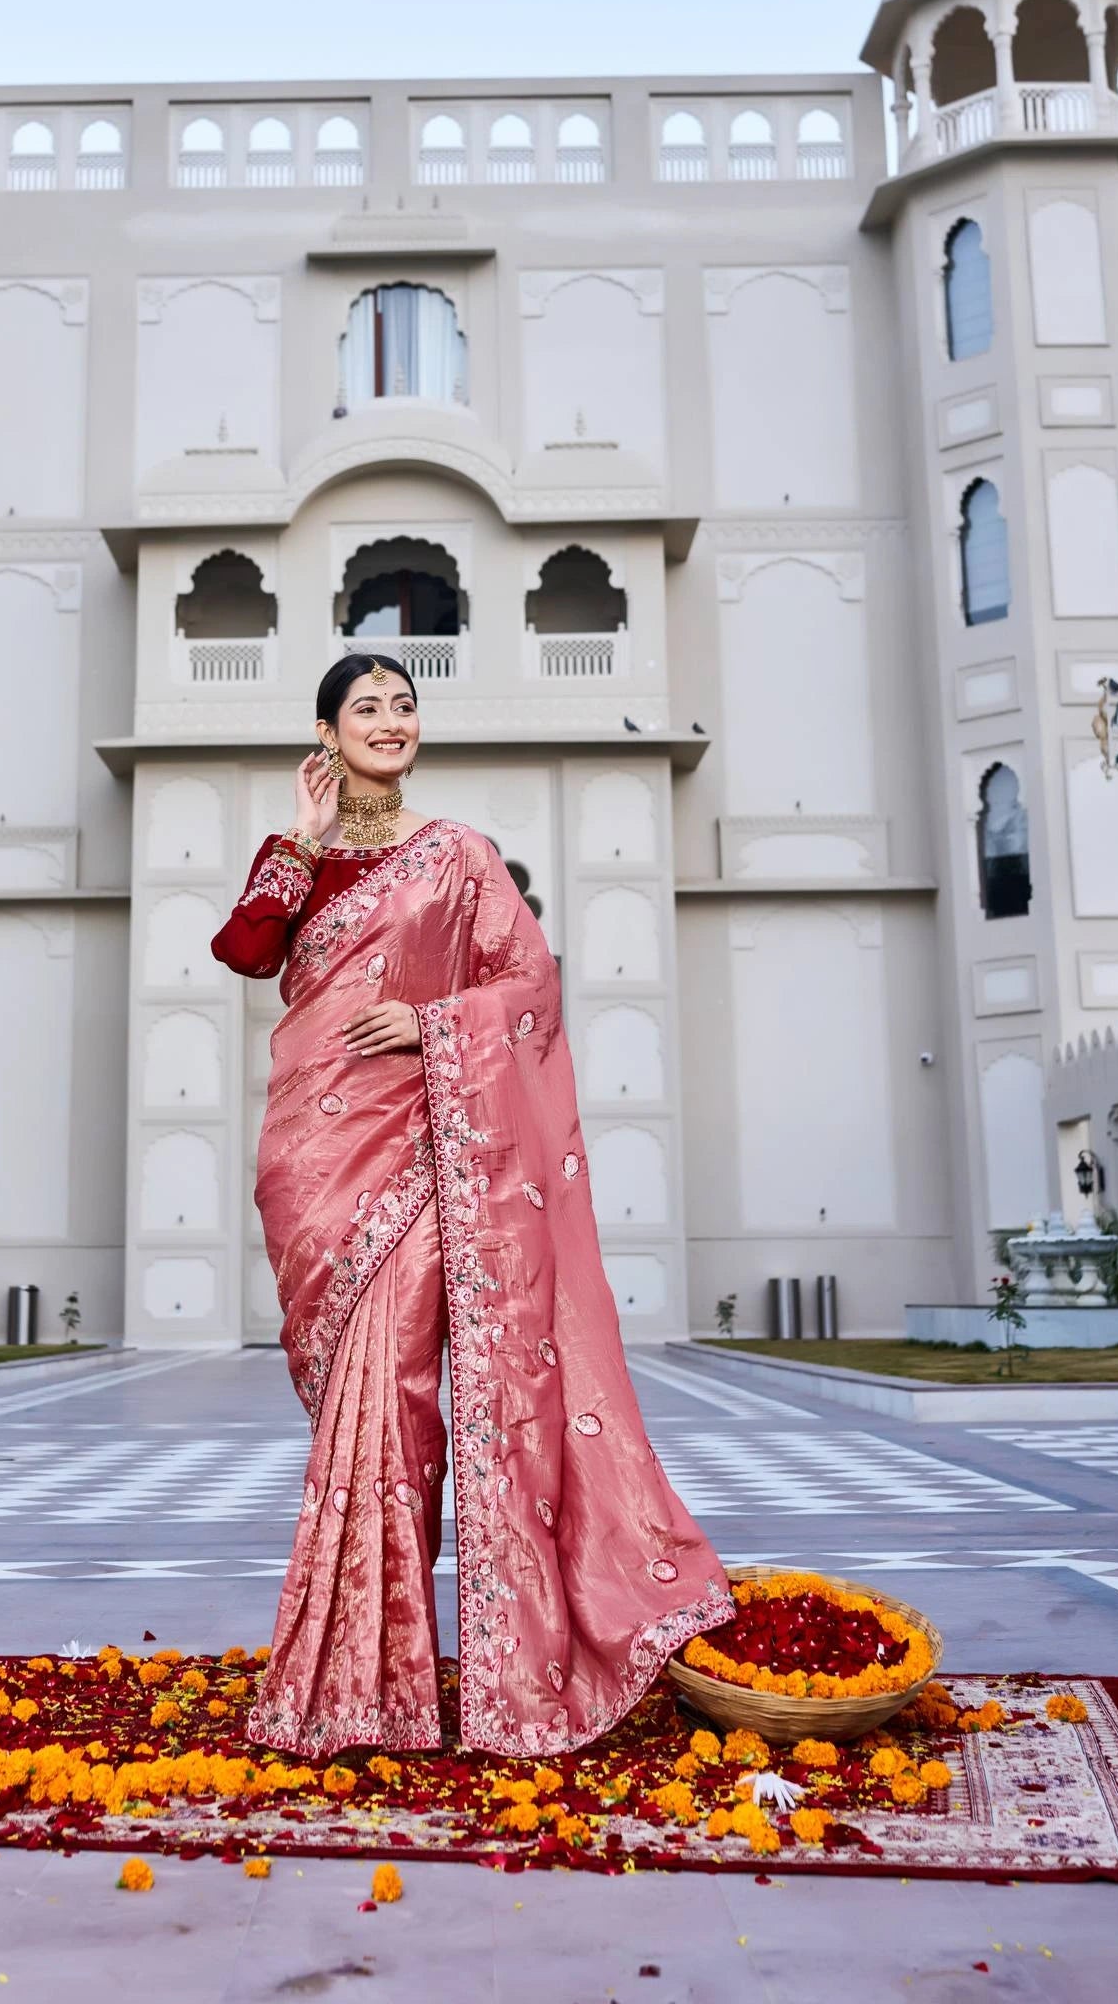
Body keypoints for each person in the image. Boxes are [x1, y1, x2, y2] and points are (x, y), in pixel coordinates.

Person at [210, 652, 730, 1757]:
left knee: (398, 1397)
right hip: (312, 1161)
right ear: (327, 730)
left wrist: (432, 1022)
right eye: (367, 708)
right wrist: (298, 836)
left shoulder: (458, 857)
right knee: (357, 1405)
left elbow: (528, 985)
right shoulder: (293, 859)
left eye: (403, 705)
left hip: (421, 1150)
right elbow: (247, 951)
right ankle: (357, 1677)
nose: (391, 722)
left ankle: (391, 1680)